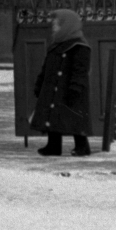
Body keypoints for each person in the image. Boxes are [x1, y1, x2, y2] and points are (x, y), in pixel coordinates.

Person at [31, 8, 94, 157]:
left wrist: (76, 87)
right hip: (53, 89)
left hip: (70, 90)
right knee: (52, 116)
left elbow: (80, 71)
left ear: (68, 25)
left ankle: (82, 146)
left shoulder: (80, 47)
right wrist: (39, 85)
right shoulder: (55, 47)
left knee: (74, 118)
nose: (54, 27)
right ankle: (53, 146)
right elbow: (45, 69)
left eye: (57, 24)